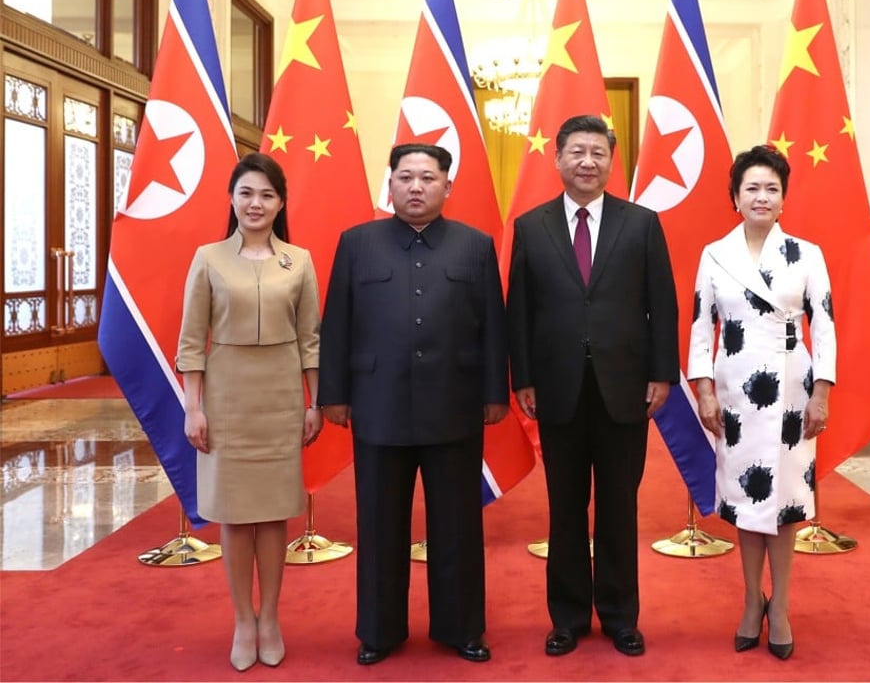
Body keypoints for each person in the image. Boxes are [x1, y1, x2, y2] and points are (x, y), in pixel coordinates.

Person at [318, 143, 508, 666]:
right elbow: (337, 322)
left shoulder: (475, 246)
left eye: (428, 177)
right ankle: (378, 631)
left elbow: (494, 324)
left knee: (458, 527)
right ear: (391, 185)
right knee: (379, 525)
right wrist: (333, 394)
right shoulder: (358, 244)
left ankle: (462, 628)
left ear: (448, 186)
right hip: (378, 407)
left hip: (456, 405)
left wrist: (495, 392)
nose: (416, 187)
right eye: (405, 177)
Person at [506, 115, 679, 658]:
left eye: (597, 153)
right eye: (576, 152)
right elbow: (521, 310)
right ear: (557, 159)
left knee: (619, 508)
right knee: (565, 508)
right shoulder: (531, 227)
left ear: (611, 160)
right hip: (556, 388)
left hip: (625, 387)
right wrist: (524, 377)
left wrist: (661, 373)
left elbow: (662, 305)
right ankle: (568, 618)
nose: (587, 162)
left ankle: (621, 617)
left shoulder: (642, 223)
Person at [687, 144, 836, 661]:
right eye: (751, 187)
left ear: (783, 197)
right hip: (735, 392)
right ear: (734, 196)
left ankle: (783, 607)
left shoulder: (807, 254)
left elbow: (827, 324)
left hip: (794, 389)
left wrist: (822, 392)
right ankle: (752, 601)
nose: (761, 196)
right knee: (746, 501)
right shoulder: (714, 254)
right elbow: (701, 327)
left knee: (788, 501)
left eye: (771, 187)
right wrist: (703, 389)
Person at [176, 152, 323, 672]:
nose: (255, 203)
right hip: (227, 398)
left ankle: (271, 618)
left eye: (266, 194)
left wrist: (313, 402)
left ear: (280, 202)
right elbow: (192, 342)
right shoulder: (209, 258)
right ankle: (243, 618)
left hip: (282, 398)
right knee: (236, 516)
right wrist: (194, 408)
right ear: (232, 199)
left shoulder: (299, 260)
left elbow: (311, 340)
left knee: (275, 511)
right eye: (246, 193)